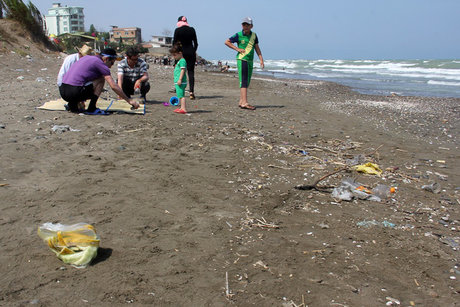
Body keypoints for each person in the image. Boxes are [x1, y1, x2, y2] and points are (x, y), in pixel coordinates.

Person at [59, 48, 139, 114]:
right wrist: (129, 100)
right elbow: (113, 86)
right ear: (106, 59)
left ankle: (73, 105)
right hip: (74, 92)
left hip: (63, 91)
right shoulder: (100, 64)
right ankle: (92, 108)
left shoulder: (87, 58)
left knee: (91, 79)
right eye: (112, 63)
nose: (111, 66)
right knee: (101, 79)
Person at [225, 17, 264, 110]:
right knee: (244, 81)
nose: (245, 27)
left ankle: (241, 101)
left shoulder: (254, 35)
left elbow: (257, 48)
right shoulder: (238, 35)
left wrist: (261, 59)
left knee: (247, 81)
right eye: (244, 24)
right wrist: (237, 49)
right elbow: (227, 42)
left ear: (251, 26)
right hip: (242, 59)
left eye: (247, 25)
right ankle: (245, 103)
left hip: (250, 60)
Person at [173, 16, 198, 100]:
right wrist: (193, 51)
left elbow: (174, 44)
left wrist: (176, 54)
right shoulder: (192, 29)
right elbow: (196, 43)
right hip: (191, 52)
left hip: (181, 53)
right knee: (191, 72)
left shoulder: (177, 30)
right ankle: (191, 92)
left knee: (180, 70)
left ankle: (179, 88)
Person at [170, 43, 187, 114]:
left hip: (181, 81)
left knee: (181, 95)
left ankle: (183, 108)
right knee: (180, 95)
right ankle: (181, 107)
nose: (174, 57)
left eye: (175, 55)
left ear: (180, 53)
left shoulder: (182, 61)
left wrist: (179, 79)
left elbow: (183, 70)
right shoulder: (180, 61)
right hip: (179, 81)